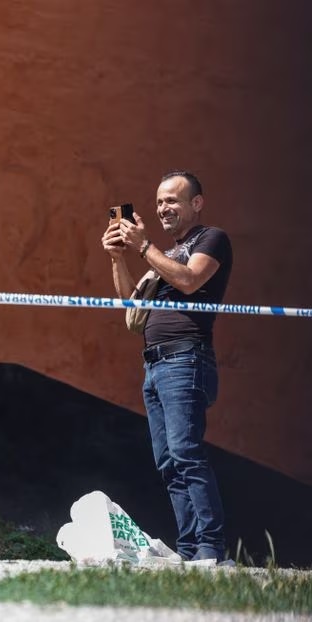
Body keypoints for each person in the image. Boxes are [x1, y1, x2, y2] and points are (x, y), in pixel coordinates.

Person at [101, 171, 233, 562]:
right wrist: (117, 257)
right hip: (155, 365)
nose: (163, 208)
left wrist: (144, 247)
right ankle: (191, 549)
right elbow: (131, 303)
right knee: (169, 463)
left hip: (185, 358)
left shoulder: (211, 239)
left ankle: (211, 549)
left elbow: (190, 281)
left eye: (173, 200)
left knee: (187, 453)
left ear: (197, 203)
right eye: (159, 202)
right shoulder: (165, 252)